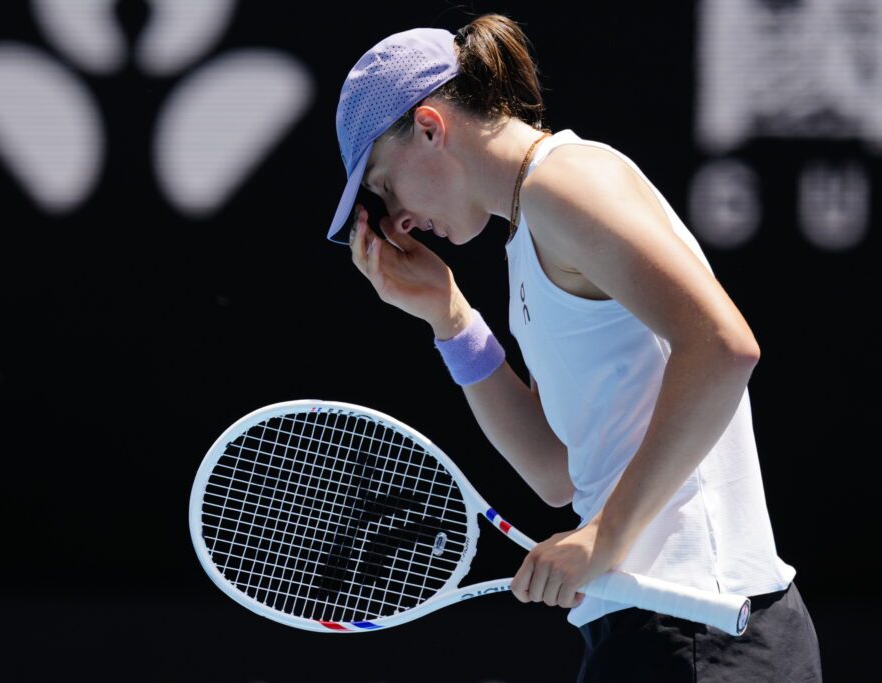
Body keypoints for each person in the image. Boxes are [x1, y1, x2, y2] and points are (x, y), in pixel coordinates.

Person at [328, 13, 823, 682]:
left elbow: (722, 346)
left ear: (430, 127)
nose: (399, 222)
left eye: (385, 186)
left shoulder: (560, 185)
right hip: (655, 632)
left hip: (701, 633)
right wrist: (450, 318)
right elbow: (558, 471)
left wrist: (606, 537)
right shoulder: (530, 232)